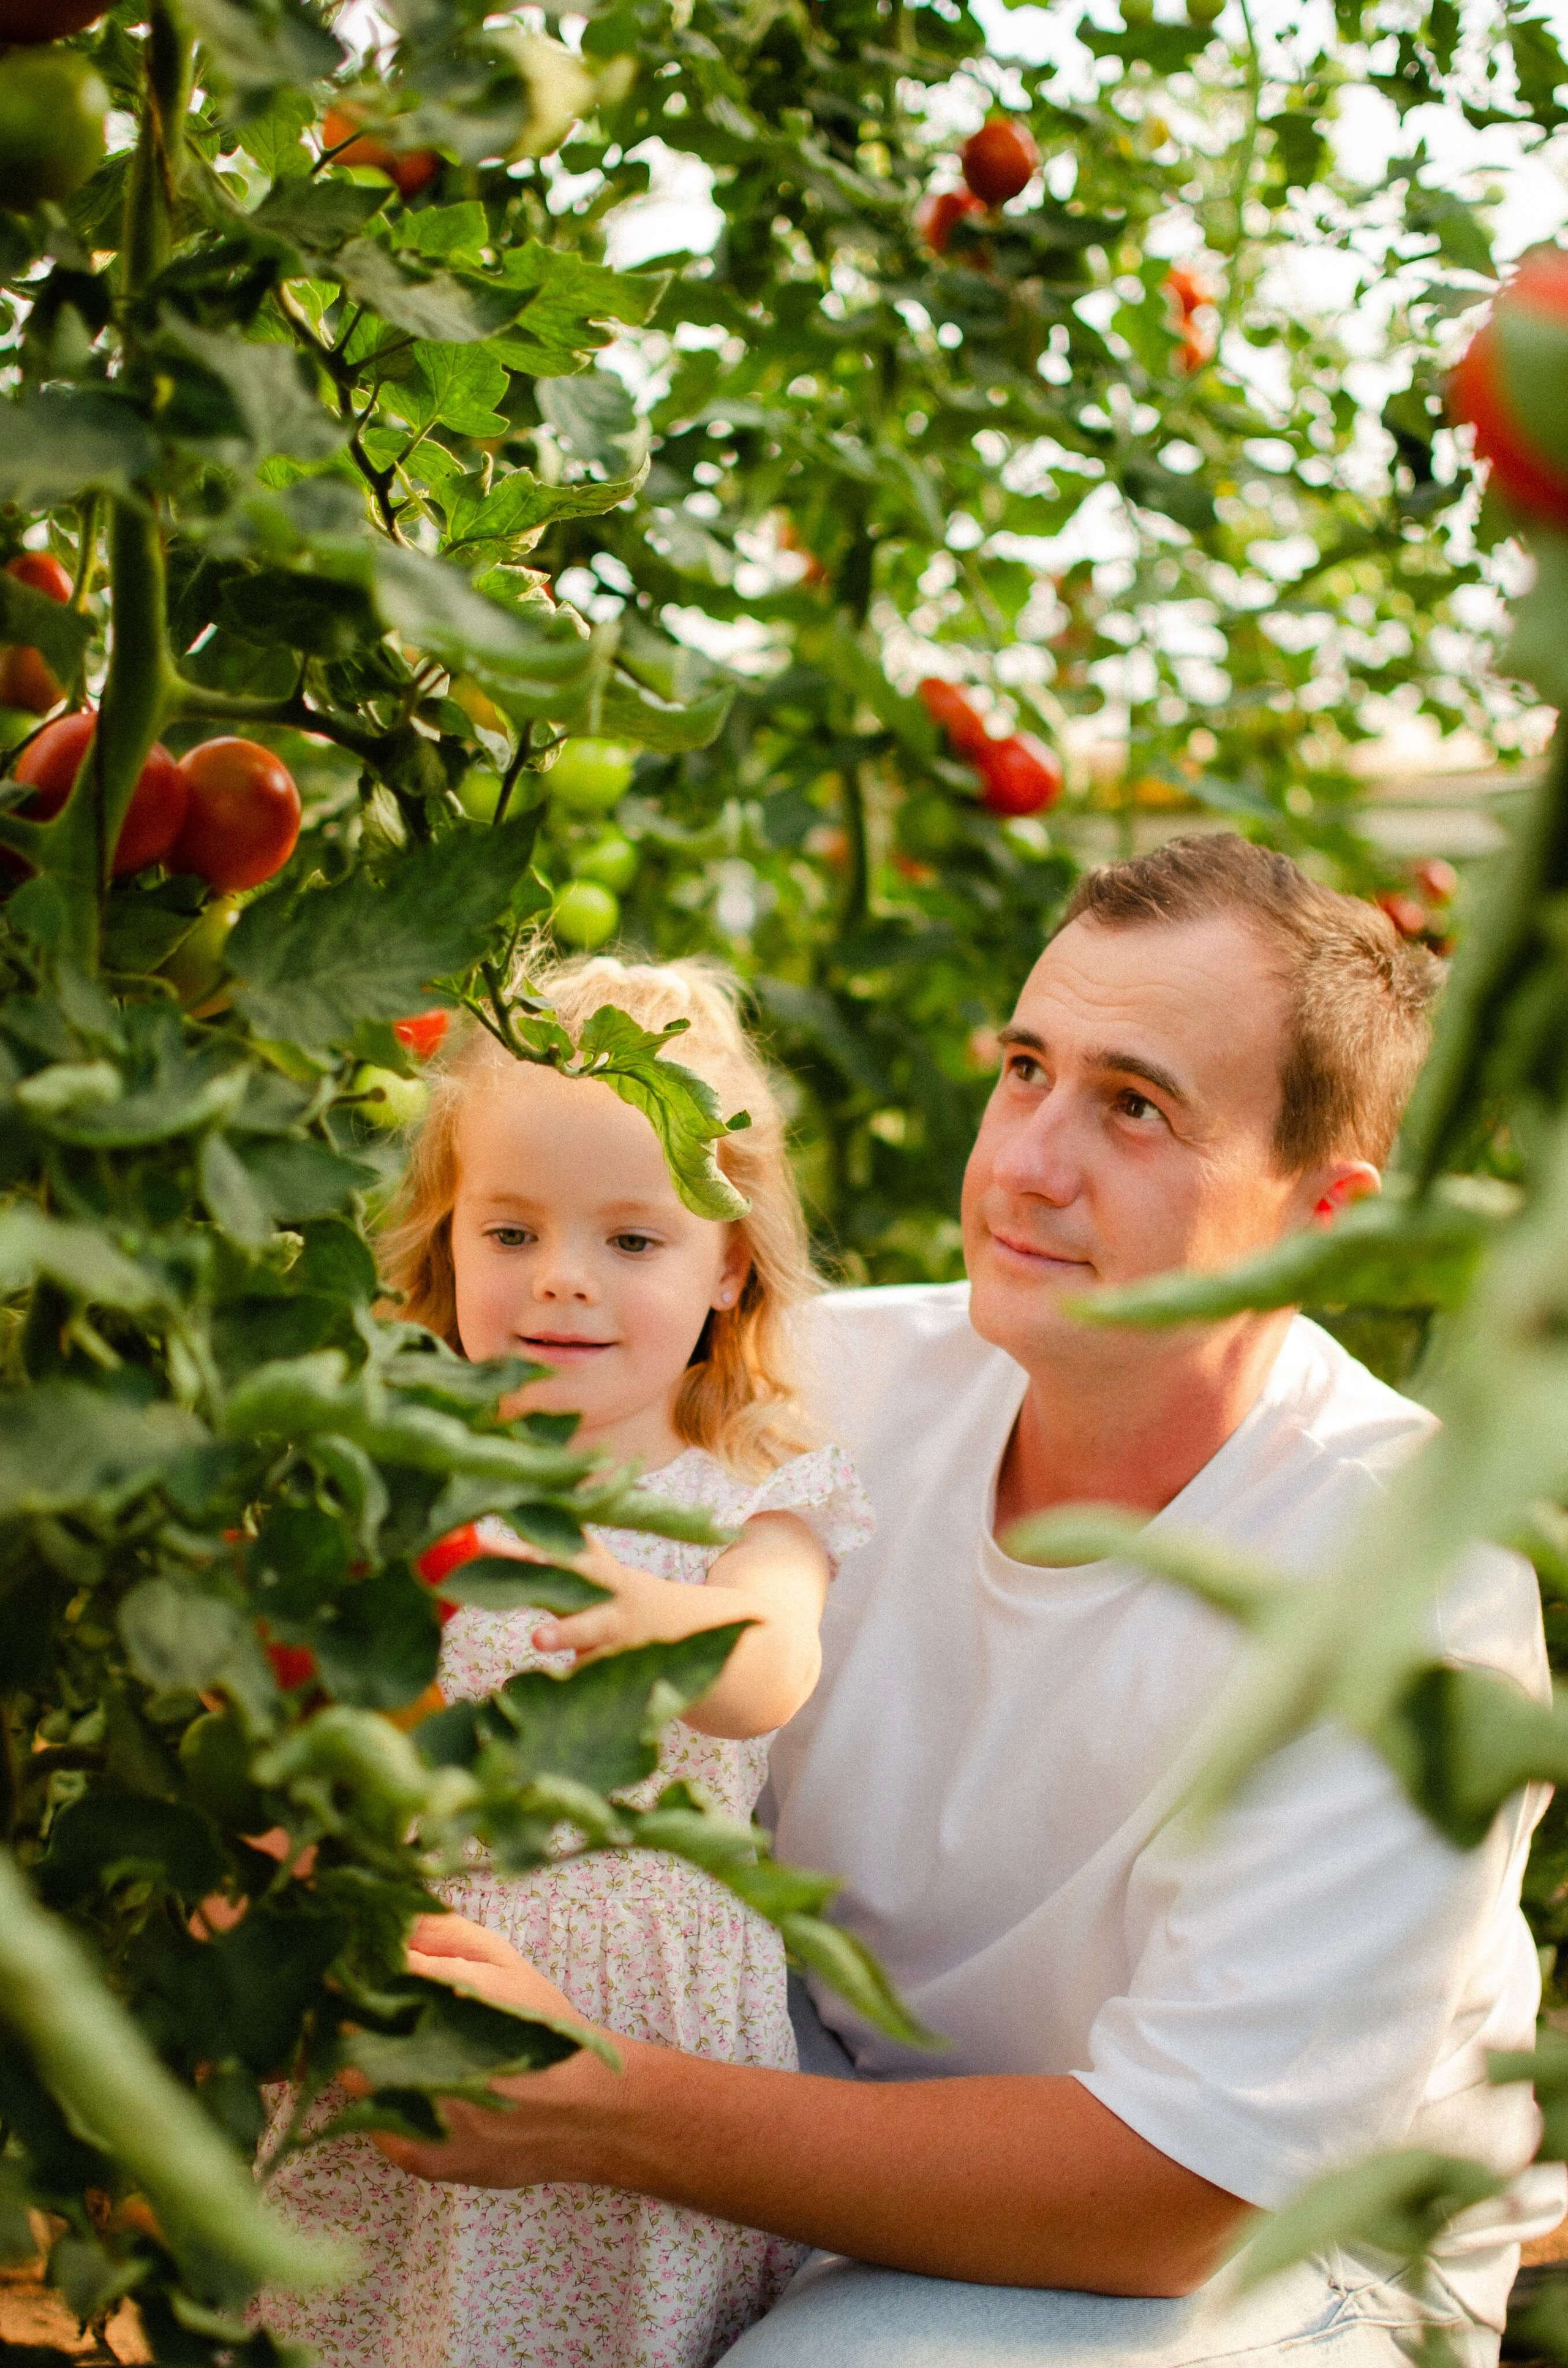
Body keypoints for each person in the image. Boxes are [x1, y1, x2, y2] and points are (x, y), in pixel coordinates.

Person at [369, 837, 1566, 2367]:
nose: (1024, 1163)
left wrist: (602, 2105)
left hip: (1275, 2259)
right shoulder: (826, 1389)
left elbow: (1174, 2197)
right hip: (827, 2099)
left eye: (1132, 1107)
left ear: (1322, 1219)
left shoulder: (1401, 1580)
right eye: (1023, 1068)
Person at [258, 954, 872, 2368]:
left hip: (637, 2033)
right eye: (512, 1232)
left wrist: (639, 1611)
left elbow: (767, 1665)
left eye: (631, 1243)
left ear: (727, 1263)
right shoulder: (401, 1479)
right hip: (417, 1990)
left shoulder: (752, 1502)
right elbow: (324, 1709)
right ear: (443, 1243)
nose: (561, 1285)